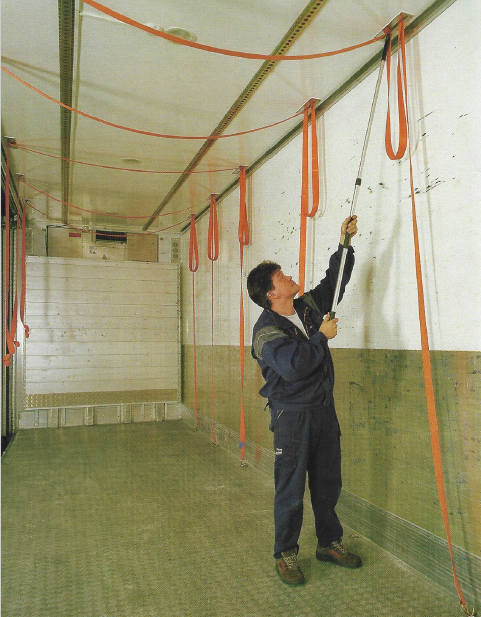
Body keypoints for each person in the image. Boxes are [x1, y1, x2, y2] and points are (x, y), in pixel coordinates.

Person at [247, 216, 361, 585]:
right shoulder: (265, 332)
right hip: (292, 417)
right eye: (281, 277)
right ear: (270, 293)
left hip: (323, 411)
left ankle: (329, 544)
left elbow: (334, 282)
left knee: (328, 484)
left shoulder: (306, 308)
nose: (289, 277)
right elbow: (294, 367)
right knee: (291, 489)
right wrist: (322, 337)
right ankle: (286, 554)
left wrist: (344, 244)